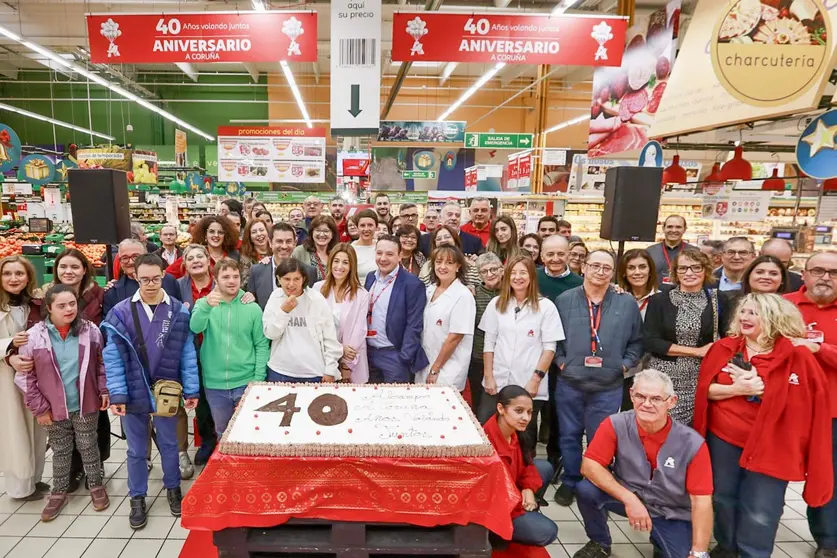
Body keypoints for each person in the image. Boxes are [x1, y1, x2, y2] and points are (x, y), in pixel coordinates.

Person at [693, 293, 833, 558]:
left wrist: (765, 391)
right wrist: (738, 388)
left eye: (754, 313)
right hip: (723, 438)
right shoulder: (723, 347)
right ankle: (727, 547)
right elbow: (704, 392)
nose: (745, 317)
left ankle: (753, 553)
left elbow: (806, 405)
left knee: (761, 508)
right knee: (722, 498)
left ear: (773, 318)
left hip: (774, 443)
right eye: (743, 312)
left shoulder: (797, 355)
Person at [101, 253, 199, 529]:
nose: (151, 284)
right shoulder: (120, 312)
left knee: (170, 444)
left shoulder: (179, 310)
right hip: (133, 390)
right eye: (144, 279)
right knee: (135, 450)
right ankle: (137, 497)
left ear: (164, 275)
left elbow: (187, 353)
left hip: (167, 390)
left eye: (156, 278)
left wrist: (191, 389)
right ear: (135, 277)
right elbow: (113, 355)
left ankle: (172, 488)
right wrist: (117, 394)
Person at [574, 369, 713, 558]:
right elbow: (589, 466)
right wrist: (630, 499)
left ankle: (660, 539)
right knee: (586, 489)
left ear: (671, 401)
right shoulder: (616, 424)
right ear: (631, 395)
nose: (646, 404)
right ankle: (600, 542)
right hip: (630, 495)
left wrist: (699, 552)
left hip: (671, 511)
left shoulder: (692, 443)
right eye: (640, 396)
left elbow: (701, 501)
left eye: (656, 399)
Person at [553, 250, 644, 506]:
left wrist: (624, 366)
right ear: (584, 267)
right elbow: (553, 337)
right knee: (569, 435)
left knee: (600, 438)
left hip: (608, 385)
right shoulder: (564, 300)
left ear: (613, 272)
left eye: (606, 268)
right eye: (595, 266)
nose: (600, 272)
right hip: (570, 382)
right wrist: (561, 362)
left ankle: (593, 483)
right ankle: (570, 480)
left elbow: (637, 341)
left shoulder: (626, 303)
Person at [15, 285, 111, 521]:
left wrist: (104, 389)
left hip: (85, 401)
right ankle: (58, 491)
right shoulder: (34, 337)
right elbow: (26, 377)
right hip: (52, 407)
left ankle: (96, 486)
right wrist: (39, 408)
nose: (68, 309)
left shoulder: (90, 331)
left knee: (88, 444)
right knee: (60, 449)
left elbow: (101, 364)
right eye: (61, 305)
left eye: (72, 304)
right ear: (48, 308)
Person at [785, 252, 837, 558]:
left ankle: (828, 540)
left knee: (828, 476)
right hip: (787, 409)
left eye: (833, 272)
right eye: (818, 270)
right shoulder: (785, 304)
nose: (825, 277)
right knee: (771, 476)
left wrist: (818, 348)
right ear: (803, 274)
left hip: (831, 412)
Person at [479, 256, 563, 442]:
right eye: (513, 273)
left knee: (525, 439)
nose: (518, 277)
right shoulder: (496, 304)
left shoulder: (546, 307)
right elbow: (489, 343)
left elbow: (549, 348)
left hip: (528, 383)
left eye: (523, 272)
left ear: (532, 276)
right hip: (497, 381)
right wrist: (489, 376)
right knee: (487, 432)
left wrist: (535, 380)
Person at [49, 248, 110, 488]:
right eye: (63, 267)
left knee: (97, 419)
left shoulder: (98, 294)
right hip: (60, 368)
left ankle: (98, 463)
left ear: (85, 269)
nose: (69, 271)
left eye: (75, 267)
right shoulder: (46, 296)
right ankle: (74, 468)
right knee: (66, 420)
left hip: (92, 366)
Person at [190, 259, 269, 437]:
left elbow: (262, 345)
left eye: (235, 276)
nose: (232, 281)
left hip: (245, 381)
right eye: (225, 277)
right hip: (214, 383)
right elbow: (195, 327)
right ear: (215, 279)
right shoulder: (205, 304)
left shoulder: (252, 308)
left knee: (249, 433)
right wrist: (206, 306)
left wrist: (258, 379)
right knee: (223, 433)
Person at [644, 248, 719, 426]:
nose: (689, 273)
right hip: (665, 379)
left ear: (706, 270)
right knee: (662, 428)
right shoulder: (659, 301)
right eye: (683, 268)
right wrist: (696, 352)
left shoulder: (718, 300)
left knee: (696, 432)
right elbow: (651, 341)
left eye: (696, 268)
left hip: (702, 378)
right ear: (675, 272)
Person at [483, 385, 558, 548]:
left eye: (529, 412)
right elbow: (496, 493)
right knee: (547, 531)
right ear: (501, 408)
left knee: (544, 467)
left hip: (512, 491)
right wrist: (523, 495)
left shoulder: (515, 431)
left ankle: (527, 511)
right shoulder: (486, 443)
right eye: (519, 411)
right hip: (497, 506)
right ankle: (496, 535)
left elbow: (527, 464)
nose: (526, 417)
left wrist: (528, 488)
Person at [1, 256, 48, 501]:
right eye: (7, 273)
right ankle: (19, 487)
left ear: (28, 277)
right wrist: (9, 351)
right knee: (15, 431)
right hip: (6, 380)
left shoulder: (34, 305)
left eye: (19, 273)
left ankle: (35, 478)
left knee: (37, 429)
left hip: (33, 377)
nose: (13, 278)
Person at [175, 244, 220, 471]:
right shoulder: (177, 286)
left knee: (221, 398)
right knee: (201, 401)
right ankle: (207, 442)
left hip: (219, 351)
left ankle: (225, 440)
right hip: (192, 352)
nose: (196, 261)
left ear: (208, 259)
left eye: (200, 256)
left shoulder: (220, 284)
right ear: (185, 264)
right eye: (190, 258)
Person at [262, 258, 343, 383]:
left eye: (296, 279)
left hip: (313, 372)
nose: (291, 284)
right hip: (280, 371)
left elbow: (330, 337)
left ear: (303, 279)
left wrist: (330, 370)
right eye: (287, 279)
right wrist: (284, 312)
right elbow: (270, 333)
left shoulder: (316, 299)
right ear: (278, 279)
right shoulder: (275, 297)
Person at [364, 235, 429, 384]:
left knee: (394, 403)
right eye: (379, 253)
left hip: (394, 355)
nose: (383, 258)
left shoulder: (412, 283)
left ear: (400, 256)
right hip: (369, 353)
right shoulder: (370, 278)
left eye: (389, 254)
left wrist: (404, 357)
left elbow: (414, 324)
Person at [415, 245, 475, 392]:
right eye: (439, 262)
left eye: (449, 263)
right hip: (425, 363)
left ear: (458, 266)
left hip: (446, 368)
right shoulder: (429, 290)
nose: (442, 267)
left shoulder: (463, 295)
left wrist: (435, 369)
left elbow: (455, 337)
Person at [314, 244, 370, 383]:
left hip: (350, 361)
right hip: (323, 358)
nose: (340, 266)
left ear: (352, 266)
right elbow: (315, 327)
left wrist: (346, 365)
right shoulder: (317, 288)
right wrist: (339, 348)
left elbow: (359, 330)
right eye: (336, 261)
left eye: (345, 262)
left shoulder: (361, 294)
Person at [103, 239, 180, 318]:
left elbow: (179, 313)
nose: (131, 262)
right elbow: (109, 324)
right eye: (125, 258)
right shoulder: (113, 292)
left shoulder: (168, 281)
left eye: (135, 256)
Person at [248, 223, 317, 310]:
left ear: (295, 243)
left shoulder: (309, 272)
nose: (284, 246)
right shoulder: (256, 271)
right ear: (270, 243)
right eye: (279, 241)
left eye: (288, 241)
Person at [719, 255, 789, 334]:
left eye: (773, 274)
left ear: (782, 279)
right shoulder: (727, 300)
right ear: (749, 275)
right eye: (759, 272)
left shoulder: (789, 307)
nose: (766, 277)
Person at [469, 252, 503, 414]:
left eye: (493, 269)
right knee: (480, 401)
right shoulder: (473, 294)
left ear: (502, 270)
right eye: (484, 271)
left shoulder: (511, 292)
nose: (489, 274)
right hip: (478, 355)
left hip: (504, 356)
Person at [165, 215, 240, 280]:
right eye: (211, 232)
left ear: (225, 235)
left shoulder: (234, 255)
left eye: (220, 232)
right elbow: (167, 275)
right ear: (205, 235)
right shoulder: (194, 255)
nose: (216, 235)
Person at [292, 215, 338, 282]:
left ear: (332, 234)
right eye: (318, 230)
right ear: (311, 233)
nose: (322, 234)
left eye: (326, 231)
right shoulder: (300, 252)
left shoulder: (337, 252)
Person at [537, 235, 583, 302]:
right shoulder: (532, 277)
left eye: (561, 254)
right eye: (550, 254)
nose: (555, 259)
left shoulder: (580, 284)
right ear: (542, 257)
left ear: (568, 255)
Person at [646, 215, 688, 287]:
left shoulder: (695, 252)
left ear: (684, 229)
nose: (674, 230)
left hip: (685, 296)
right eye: (670, 227)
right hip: (655, 297)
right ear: (663, 228)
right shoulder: (649, 251)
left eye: (678, 227)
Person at [617, 249, 659, 318]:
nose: (637, 272)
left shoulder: (661, 299)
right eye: (631, 268)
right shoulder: (616, 295)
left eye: (642, 267)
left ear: (650, 271)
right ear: (624, 272)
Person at [239, 219, 272, 285]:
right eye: (254, 232)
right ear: (249, 237)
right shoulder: (246, 258)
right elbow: (244, 284)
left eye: (261, 230)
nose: (259, 234)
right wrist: (260, 268)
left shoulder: (275, 251)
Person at [350, 209, 379, 281]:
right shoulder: (350, 249)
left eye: (370, 225)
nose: (366, 229)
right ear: (357, 227)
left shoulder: (382, 246)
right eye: (362, 225)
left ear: (376, 226)